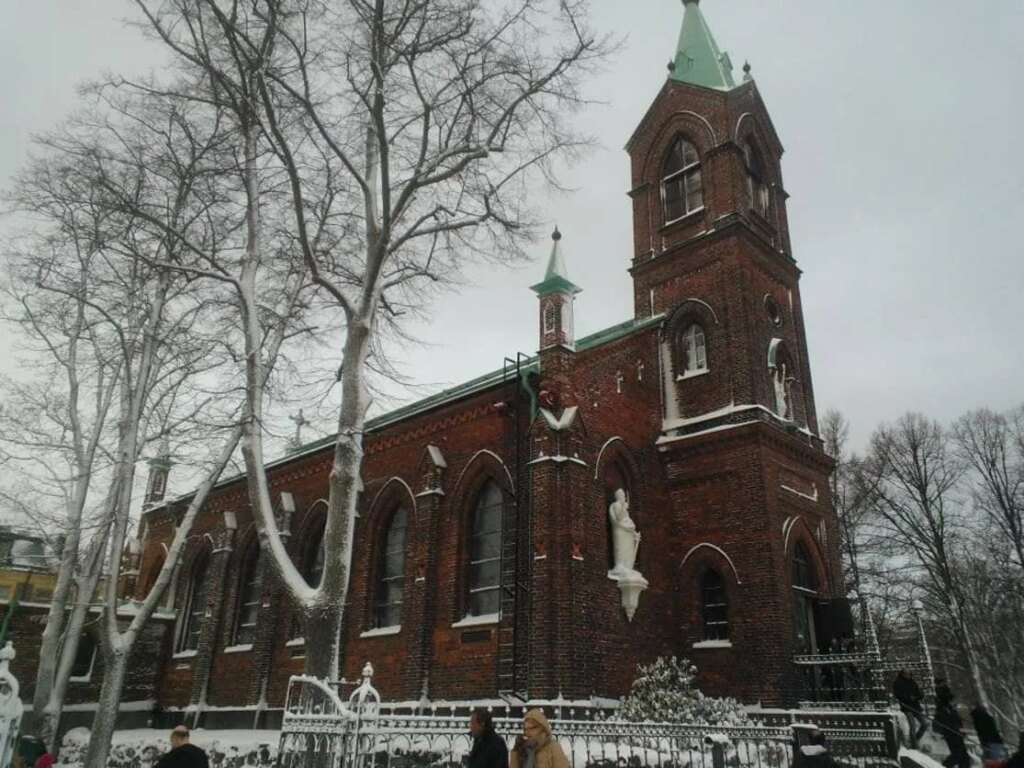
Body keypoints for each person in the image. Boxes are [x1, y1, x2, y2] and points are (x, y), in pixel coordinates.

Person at [933, 691, 970, 768]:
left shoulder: (951, 709)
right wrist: (958, 729)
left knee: (964, 757)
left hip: (957, 735)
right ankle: (943, 766)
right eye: (953, 700)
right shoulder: (943, 710)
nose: (955, 702)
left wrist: (961, 729)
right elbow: (946, 725)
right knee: (957, 754)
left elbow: (957, 721)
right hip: (951, 735)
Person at [608, 489, 640, 575]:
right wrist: (623, 508)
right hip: (620, 531)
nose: (624, 498)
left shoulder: (623, 506)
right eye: (623, 496)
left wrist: (634, 533)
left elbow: (627, 518)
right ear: (619, 496)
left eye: (624, 496)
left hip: (627, 531)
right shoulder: (616, 505)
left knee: (627, 549)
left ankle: (627, 566)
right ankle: (620, 566)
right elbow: (618, 517)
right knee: (620, 548)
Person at [893, 669, 928, 748]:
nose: (907, 676)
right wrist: (908, 698)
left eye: (909, 674)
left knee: (924, 724)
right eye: (906, 674)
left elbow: (918, 693)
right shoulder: (898, 683)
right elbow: (898, 695)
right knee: (912, 726)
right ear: (902, 674)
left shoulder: (912, 682)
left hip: (916, 706)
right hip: (907, 707)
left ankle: (915, 738)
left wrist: (919, 696)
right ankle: (914, 745)